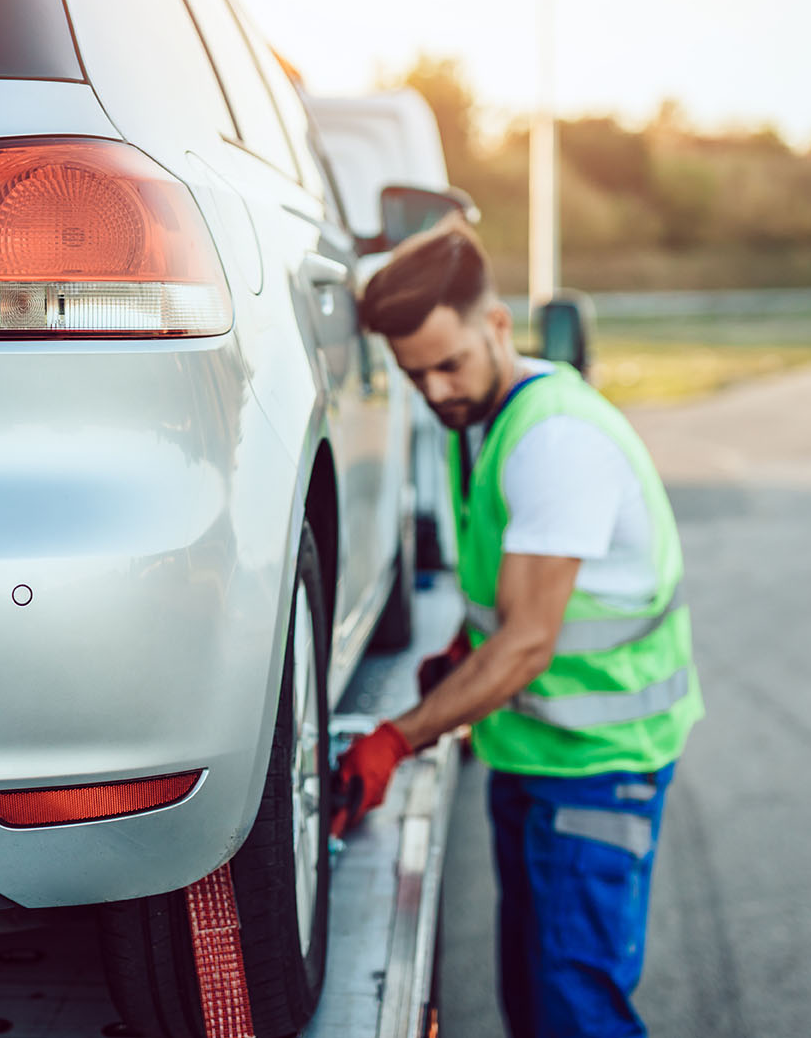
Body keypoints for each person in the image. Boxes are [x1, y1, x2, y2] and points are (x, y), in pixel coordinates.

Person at [333, 215, 702, 1038]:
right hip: (537, 757)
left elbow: (530, 641)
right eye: (412, 375)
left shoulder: (555, 439)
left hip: (597, 769)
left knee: (575, 1012)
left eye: (448, 364)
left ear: (497, 326)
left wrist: (397, 736)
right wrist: (464, 657)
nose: (434, 393)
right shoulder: (490, 420)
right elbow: (514, 602)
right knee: (536, 1007)